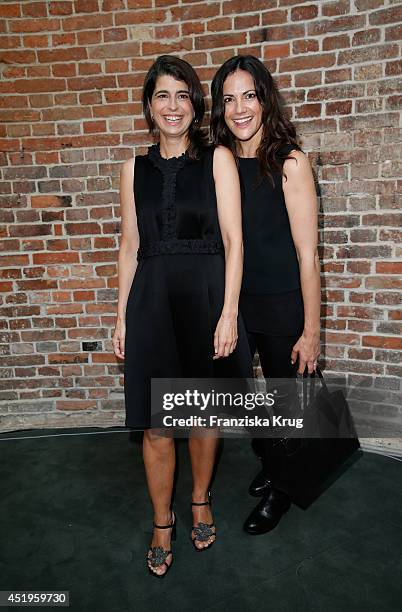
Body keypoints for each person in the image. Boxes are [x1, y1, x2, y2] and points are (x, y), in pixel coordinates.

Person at [113, 55, 252, 576]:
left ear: (195, 104)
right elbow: (129, 247)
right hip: (150, 300)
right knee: (157, 425)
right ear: (149, 106)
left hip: (207, 297)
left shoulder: (217, 160)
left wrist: (229, 312)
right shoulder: (132, 169)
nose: (173, 106)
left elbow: (236, 242)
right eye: (162, 96)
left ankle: (199, 499)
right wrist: (122, 315)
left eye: (183, 95)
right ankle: (161, 521)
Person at [211, 55, 321, 535]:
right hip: (234, 303)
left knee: (284, 402)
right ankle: (269, 458)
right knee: (242, 396)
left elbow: (308, 257)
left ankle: (281, 488)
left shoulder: (290, 162)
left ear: (265, 99)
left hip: (280, 303)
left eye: (249, 95)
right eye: (229, 98)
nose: (239, 108)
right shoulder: (218, 161)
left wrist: (312, 329)